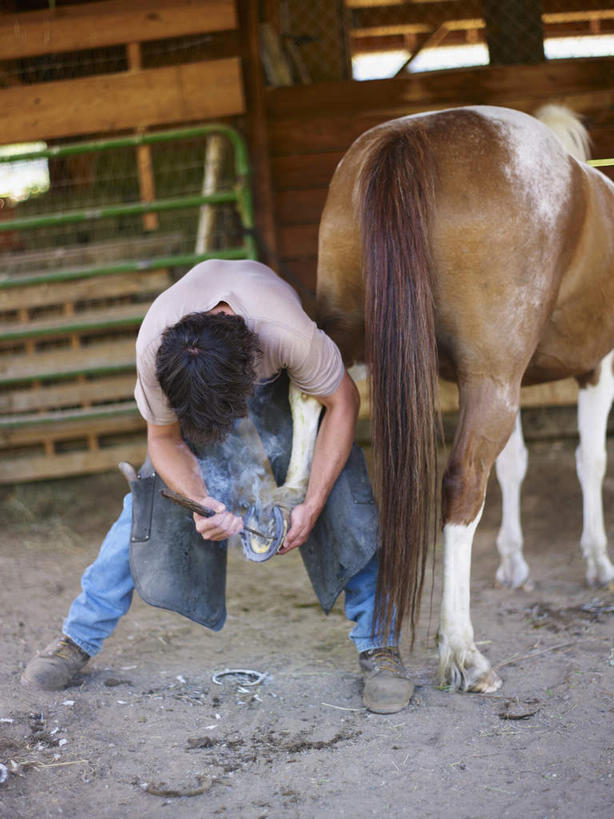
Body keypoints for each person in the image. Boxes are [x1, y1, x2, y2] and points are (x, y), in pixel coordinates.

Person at [22, 259, 414, 714]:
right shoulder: (156, 349)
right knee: (146, 504)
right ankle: (76, 638)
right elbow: (163, 439)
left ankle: (380, 646)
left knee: (347, 495)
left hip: (285, 380)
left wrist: (313, 500)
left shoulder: (289, 336)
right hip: (198, 387)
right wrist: (200, 501)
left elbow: (343, 403)